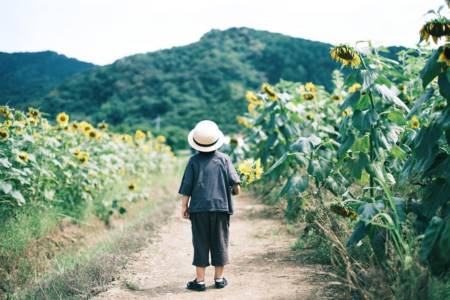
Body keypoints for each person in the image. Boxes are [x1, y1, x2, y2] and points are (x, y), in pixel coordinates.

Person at [178, 120, 241, 292]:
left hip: (198, 209)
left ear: (197, 143)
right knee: (220, 242)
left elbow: (187, 187)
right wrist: (235, 190)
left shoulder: (193, 161)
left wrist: (184, 206)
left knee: (201, 242)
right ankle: (219, 279)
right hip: (221, 208)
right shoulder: (225, 159)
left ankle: (200, 282)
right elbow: (236, 186)